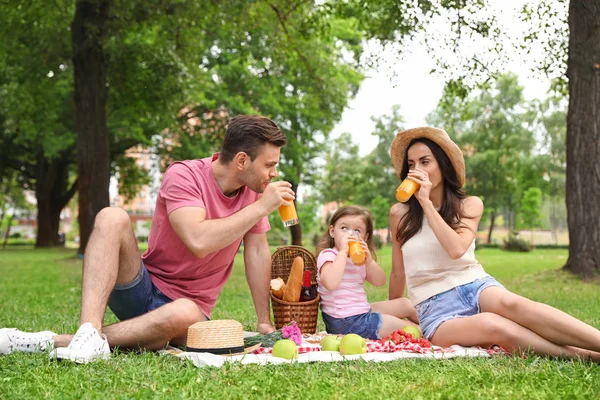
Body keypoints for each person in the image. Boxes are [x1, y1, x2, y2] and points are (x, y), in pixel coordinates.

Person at [0, 115, 293, 363]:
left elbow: (256, 252)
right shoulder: (185, 175)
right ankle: (88, 329)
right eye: (269, 165)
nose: (274, 173)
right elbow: (198, 240)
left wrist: (263, 320)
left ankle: (60, 341)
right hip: (142, 288)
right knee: (111, 216)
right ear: (242, 160)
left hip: (186, 313)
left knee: (186, 310)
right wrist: (260, 207)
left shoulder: (255, 194)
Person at [388, 126, 600, 361]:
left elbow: (456, 249)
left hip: (475, 286)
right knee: (493, 325)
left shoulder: (469, 205)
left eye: (425, 162)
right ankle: (586, 356)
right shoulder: (400, 214)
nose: (417, 170)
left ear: (443, 165)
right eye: (411, 164)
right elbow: (398, 273)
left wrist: (427, 204)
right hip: (434, 310)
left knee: (514, 304)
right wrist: (394, 317)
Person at [315, 205, 419, 340]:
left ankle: (433, 322)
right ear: (332, 231)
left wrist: (369, 262)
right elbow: (330, 283)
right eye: (344, 228)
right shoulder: (328, 255)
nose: (350, 234)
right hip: (344, 322)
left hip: (361, 313)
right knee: (407, 327)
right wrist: (342, 252)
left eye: (357, 230)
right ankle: (429, 331)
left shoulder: (358, 259)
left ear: (365, 237)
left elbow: (380, 281)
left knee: (405, 304)